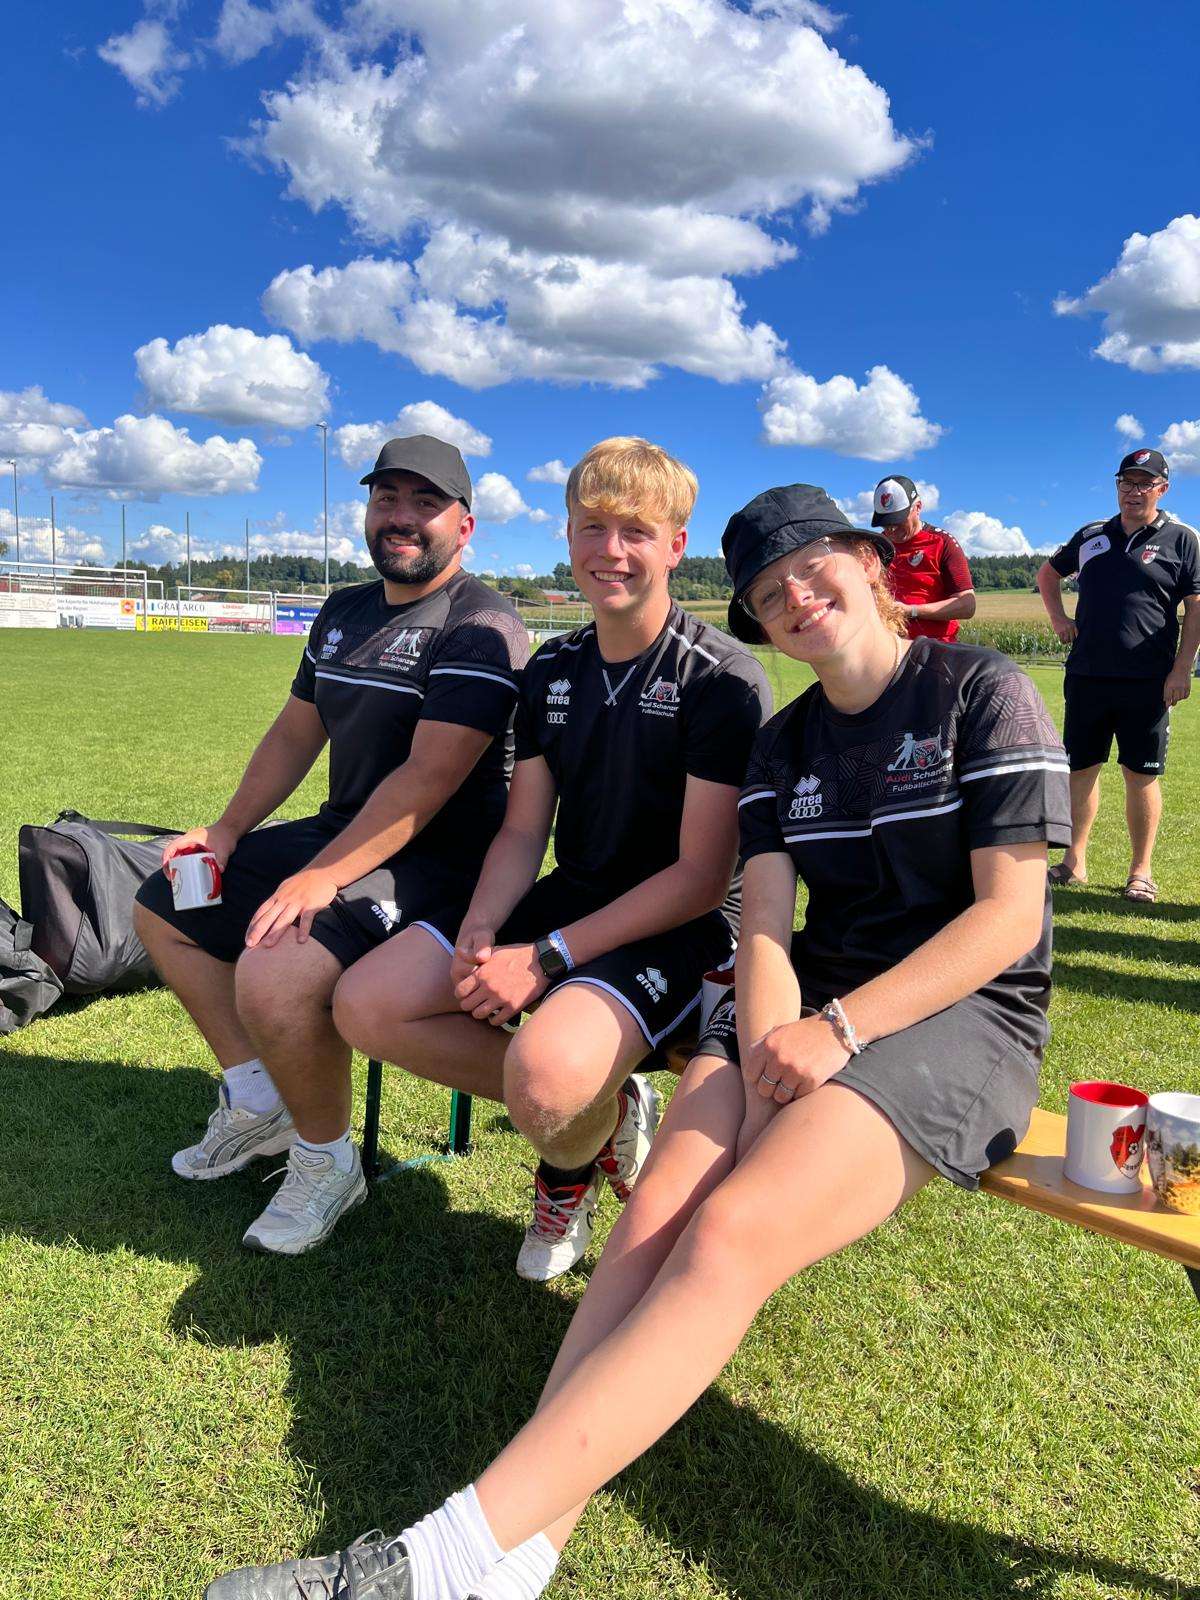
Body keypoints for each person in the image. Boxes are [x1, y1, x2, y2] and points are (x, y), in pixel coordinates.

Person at [206, 484, 1069, 1600]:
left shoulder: (981, 690)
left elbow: (1007, 920)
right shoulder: (786, 738)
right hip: (806, 996)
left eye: (812, 568)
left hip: (964, 1013)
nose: (796, 597)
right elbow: (767, 929)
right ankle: (520, 1552)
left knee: (732, 1230)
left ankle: (436, 1564)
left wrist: (837, 1031)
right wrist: (767, 1045)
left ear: (870, 562)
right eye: (769, 590)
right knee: (650, 1222)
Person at [333, 436, 770, 1281]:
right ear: (567, 536)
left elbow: (701, 879)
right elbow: (523, 832)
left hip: (685, 924)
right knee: (367, 1004)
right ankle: (607, 1109)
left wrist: (544, 958)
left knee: (544, 1080)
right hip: (573, 894)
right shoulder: (553, 667)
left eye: (637, 531)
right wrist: (482, 927)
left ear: (676, 547)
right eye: (593, 527)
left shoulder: (722, 678)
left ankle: (566, 1159)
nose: (612, 550)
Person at [133, 435, 529, 1255]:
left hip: (440, 860)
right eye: (387, 498)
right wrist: (227, 830)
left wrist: (321, 876)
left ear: (465, 525)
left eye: (426, 503)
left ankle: (326, 1161)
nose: (402, 517)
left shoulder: (482, 622)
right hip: (344, 831)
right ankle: (259, 1103)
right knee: (167, 900)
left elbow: (429, 777)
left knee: (275, 969)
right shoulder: (345, 610)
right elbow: (295, 732)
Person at [1037, 447, 1200, 901]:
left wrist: (1182, 668)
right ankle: (1074, 863)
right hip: (1087, 675)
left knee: (1140, 774)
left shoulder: (1182, 539)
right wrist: (1059, 619)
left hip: (1148, 681)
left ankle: (1140, 871)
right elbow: (1047, 575)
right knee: (1081, 769)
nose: (1134, 491)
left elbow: (1196, 607)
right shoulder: (1093, 535)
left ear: (1162, 489)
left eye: (1145, 483)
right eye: (1126, 482)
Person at [871, 473, 975, 640]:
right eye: (885, 523)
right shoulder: (876, 546)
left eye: (897, 521)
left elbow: (967, 605)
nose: (891, 529)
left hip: (936, 647)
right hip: (889, 647)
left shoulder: (942, 542)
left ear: (918, 507)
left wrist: (912, 611)